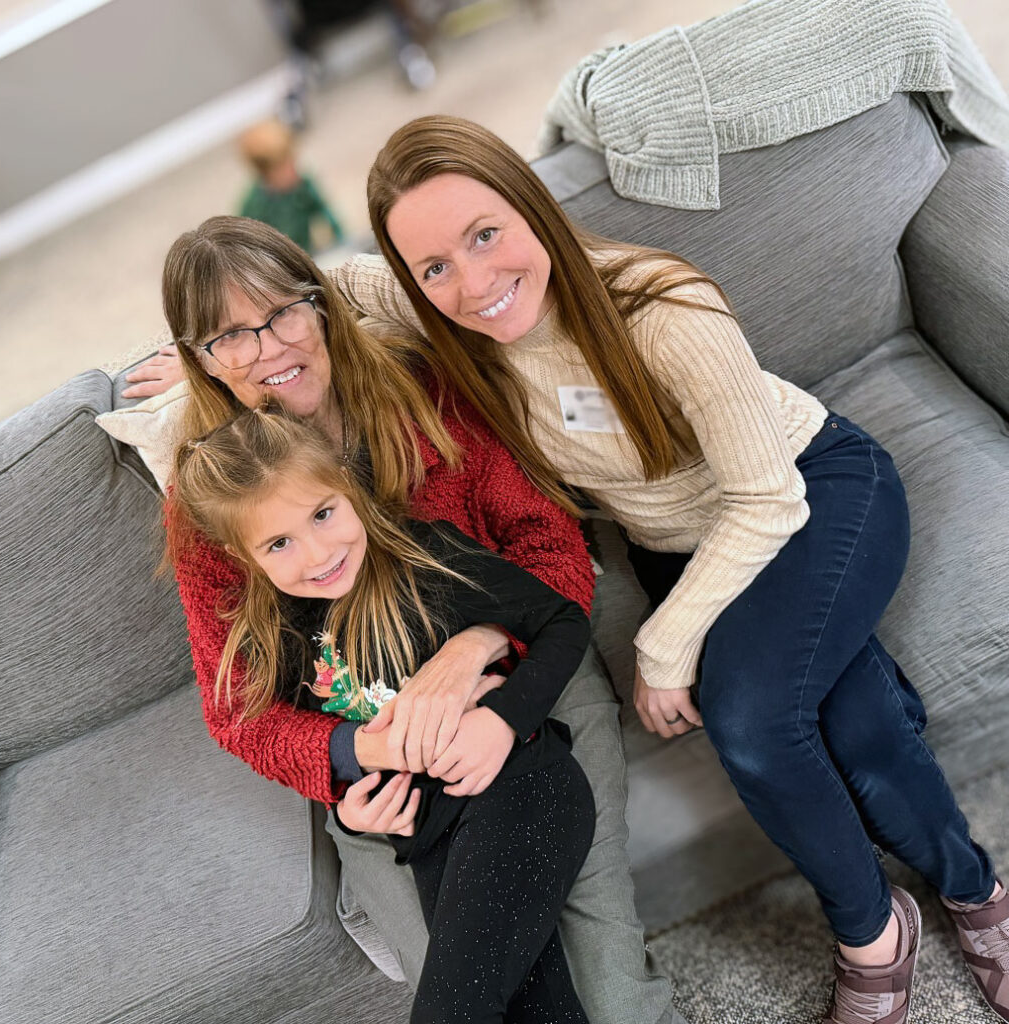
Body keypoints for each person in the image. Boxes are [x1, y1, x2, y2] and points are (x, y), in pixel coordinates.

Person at [304, 114, 1007, 1024]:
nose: (473, 283)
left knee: (755, 722)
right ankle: (963, 897)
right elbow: (316, 284)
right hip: (679, 545)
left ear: (530, 207)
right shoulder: (447, 318)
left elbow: (766, 499)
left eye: (486, 235)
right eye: (433, 266)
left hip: (808, 494)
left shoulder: (662, 310)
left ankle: (886, 931)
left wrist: (666, 645)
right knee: (855, 706)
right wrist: (226, 345)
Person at [157, 216, 687, 1024]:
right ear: (201, 359)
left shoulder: (423, 387)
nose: (268, 350)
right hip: (382, 760)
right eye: (231, 337)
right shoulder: (210, 500)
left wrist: (476, 651)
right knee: (465, 980)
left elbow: (549, 543)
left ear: (321, 302)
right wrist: (354, 760)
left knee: (609, 999)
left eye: (282, 314)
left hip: (524, 671)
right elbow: (240, 711)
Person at [167, 405, 595, 1022]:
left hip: (523, 793)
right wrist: (356, 808)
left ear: (347, 486)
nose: (318, 553)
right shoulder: (281, 640)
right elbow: (320, 735)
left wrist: (501, 717)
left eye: (323, 513)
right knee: (540, 1011)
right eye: (280, 542)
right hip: (428, 841)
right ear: (242, 554)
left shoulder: (430, 560)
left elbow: (562, 622)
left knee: (453, 1011)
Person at [237, 119, 344, 253]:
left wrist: (342, 241)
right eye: (286, 168)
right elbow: (246, 245)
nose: (294, 171)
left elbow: (325, 211)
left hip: (305, 251)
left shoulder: (303, 183)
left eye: (294, 162)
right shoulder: (254, 207)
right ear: (267, 174)